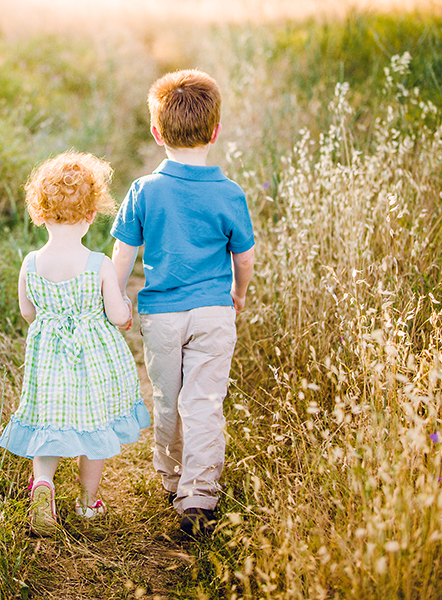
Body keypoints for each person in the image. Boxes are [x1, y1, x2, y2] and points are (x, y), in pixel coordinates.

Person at [110, 69, 256, 537]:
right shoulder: (230, 193)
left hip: (162, 316)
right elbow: (244, 257)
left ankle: (172, 480)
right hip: (214, 312)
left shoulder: (144, 190)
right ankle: (199, 494)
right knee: (205, 401)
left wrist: (116, 300)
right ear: (215, 132)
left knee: (168, 398)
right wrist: (238, 293)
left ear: (157, 133)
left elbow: (123, 254)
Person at [0, 151, 151, 536]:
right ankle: (87, 502)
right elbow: (116, 314)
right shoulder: (97, 263)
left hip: (49, 360)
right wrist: (125, 312)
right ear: (91, 214)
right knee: (95, 428)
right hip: (93, 364)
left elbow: (28, 312)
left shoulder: (31, 263)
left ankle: (43, 484)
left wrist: (51, 322)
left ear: (41, 213)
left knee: (47, 421)